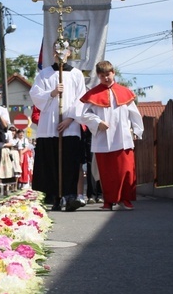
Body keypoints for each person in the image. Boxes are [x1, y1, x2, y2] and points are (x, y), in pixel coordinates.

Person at [80, 60, 144, 211]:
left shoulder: (125, 92)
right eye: (102, 76)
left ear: (113, 72)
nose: (106, 78)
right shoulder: (93, 94)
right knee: (107, 173)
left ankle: (126, 199)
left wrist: (136, 130)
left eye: (108, 74)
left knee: (126, 170)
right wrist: (97, 122)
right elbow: (83, 115)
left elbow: (134, 114)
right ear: (98, 76)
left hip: (123, 138)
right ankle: (108, 201)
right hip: (103, 139)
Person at [29, 47, 87, 212]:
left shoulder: (76, 74)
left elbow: (82, 99)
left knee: (69, 162)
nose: (60, 54)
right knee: (52, 162)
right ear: (53, 53)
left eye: (64, 51)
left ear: (69, 53)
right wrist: (52, 93)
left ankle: (69, 196)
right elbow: (35, 95)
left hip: (70, 126)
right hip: (49, 125)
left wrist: (70, 119)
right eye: (57, 51)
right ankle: (55, 196)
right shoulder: (44, 74)